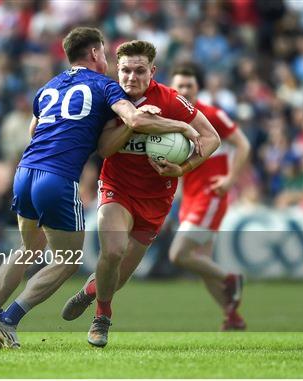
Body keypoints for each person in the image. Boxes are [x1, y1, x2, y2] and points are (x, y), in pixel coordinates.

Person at [0, 28, 204, 349]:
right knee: (68, 260)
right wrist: (181, 127)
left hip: (25, 171)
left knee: (28, 249)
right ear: (95, 54)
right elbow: (134, 120)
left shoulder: (49, 86)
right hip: (59, 177)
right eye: (108, 56)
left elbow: (34, 128)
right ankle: (7, 320)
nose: (111, 65)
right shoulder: (106, 87)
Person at [61, 41, 221, 347]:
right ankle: (102, 318)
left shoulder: (171, 100)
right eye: (124, 70)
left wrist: (183, 168)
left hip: (155, 199)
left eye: (139, 70)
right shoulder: (108, 97)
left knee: (116, 277)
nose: (131, 77)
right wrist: (134, 122)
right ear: (116, 70)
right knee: (113, 251)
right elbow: (105, 148)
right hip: (116, 189)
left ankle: (90, 292)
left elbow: (211, 137)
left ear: (152, 72)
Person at [167, 63, 250, 330]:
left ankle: (230, 278)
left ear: (198, 88)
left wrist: (230, 179)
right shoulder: (172, 118)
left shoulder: (211, 114)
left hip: (211, 194)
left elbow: (243, 144)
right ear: (172, 87)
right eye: (179, 85)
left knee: (178, 254)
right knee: (202, 263)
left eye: (189, 85)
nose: (184, 90)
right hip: (190, 196)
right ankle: (232, 316)